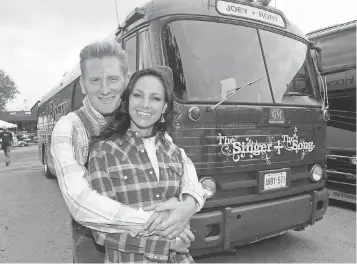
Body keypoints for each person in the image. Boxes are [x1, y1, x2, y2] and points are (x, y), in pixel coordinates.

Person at [50, 41, 206, 263]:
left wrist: (189, 203)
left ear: (125, 81)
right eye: (95, 80)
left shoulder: (138, 119)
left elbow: (182, 161)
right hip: (93, 235)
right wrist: (158, 224)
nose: (105, 89)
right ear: (83, 85)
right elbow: (80, 201)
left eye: (112, 79)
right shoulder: (70, 128)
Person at [87, 66, 198, 263]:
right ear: (127, 100)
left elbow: (183, 209)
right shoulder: (103, 151)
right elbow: (101, 230)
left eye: (155, 98)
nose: (145, 105)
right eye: (138, 95)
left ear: (164, 107)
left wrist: (182, 213)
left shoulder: (173, 152)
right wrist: (168, 244)